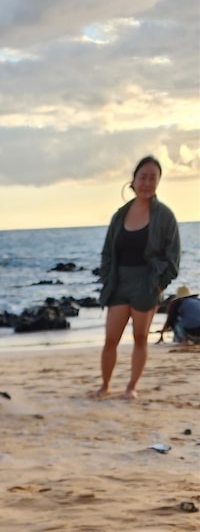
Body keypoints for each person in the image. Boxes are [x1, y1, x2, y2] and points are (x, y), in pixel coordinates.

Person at [92, 155, 180, 399]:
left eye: (153, 178)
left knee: (140, 337)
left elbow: (173, 258)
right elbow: (107, 252)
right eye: (143, 177)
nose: (147, 183)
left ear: (158, 182)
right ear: (134, 180)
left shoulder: (165, 216)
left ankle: (131, 387)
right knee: (111, 338)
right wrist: (107, 278)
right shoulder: (120, 215)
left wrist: (158, 283)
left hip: (146, 284)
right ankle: (105, 386)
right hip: (119, 283)